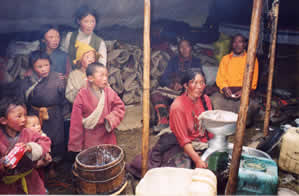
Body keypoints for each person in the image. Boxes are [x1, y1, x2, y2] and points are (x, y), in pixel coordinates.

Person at [127, 69, 213, 178]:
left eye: (202, 82)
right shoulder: (178, 106)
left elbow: (210, 128)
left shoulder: (205, 99)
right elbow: (183, 140)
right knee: (178, 173)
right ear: (186, 85)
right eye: (194, 82)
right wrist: (198, 160)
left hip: (201, 143)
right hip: (181, 144)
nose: (199, 86)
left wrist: (213, 146)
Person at [19, 51, 66, 177]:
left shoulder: (58, 78)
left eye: (46, 65)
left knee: (55, 140)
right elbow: (23, 99)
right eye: (39, 67)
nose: (44, 69)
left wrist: (62, 112)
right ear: (32, 68)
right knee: (36, 140)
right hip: (34, 115)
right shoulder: (28, 80)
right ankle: (38, 168)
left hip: (54, 114)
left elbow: (63, 97)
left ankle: (52, 165)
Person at [68, 63, 125, 157]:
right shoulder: (82, 95)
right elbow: (76, 121)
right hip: (90, 137)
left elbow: (120, 106)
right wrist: (76, 144)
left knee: (109, 161)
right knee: (93, 162)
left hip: (107, 134)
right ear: (90, 78)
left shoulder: (108, 91)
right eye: (101, 75)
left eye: (106, 75)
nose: (105, 78)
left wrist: (111, 118)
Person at [0, 96, 51, 194]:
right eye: (19, 116)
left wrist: (31, 147)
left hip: (31, 181)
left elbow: (45, 141)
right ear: (3, 120)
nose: (24, 119)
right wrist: (3, 165)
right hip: (7, 186)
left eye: (25, 115)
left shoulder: (27, 132)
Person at [151, 39, 203, 132]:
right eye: (181, 47)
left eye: (186, 46)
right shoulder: (173, 61)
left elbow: (200, 79)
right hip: (173, 92)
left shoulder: (196, 61)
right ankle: (163, 121)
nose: (184, 49)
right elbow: (164, 77)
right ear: (179, 49)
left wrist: (186, 85)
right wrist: (172, 84)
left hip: (188, 92)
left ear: (190, 48)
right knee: (155, 94)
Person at [210, 34, 259, 125]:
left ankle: (240, 123)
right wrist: (225, 88)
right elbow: (220, 78)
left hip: (244, 94)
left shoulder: (251, 59)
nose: (237, 44)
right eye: (235, 42)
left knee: (250, 107)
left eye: (240, 42)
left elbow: (253, 81)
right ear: (232, 44)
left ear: (244, 44)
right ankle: (227, 122)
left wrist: (243, 91)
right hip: (227, 94)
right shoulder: (225, 59)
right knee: (214, 100)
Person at [25, 115, 52, 180]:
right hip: (31, 163)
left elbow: (46, 147)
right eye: (34, 125)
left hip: (41, 160)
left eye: (38, 124)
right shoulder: (26, 137)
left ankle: (41, 187)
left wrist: (47, 154)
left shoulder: (42, 134)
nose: (38, 127)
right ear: (25, 128)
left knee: (40, 174)